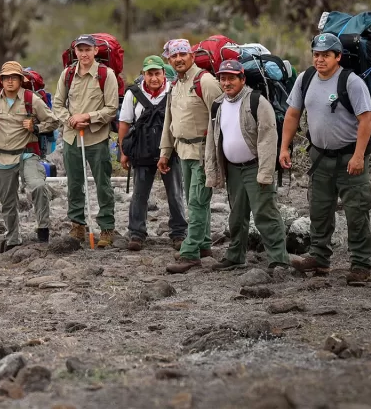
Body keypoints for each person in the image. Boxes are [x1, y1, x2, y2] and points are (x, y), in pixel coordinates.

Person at [280, 33, 371, 285]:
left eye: (326, 55)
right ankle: (319, 258)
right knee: (319, 210)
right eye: (316, 54)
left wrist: (358, 156)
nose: (319, 60)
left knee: (356, 212)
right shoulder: (305, 78)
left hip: (349, 158)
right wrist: (284, 147)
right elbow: (292, 114)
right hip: (319, 157)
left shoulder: (351, 82)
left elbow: (366, 119)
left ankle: (361, 264)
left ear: (338, 57)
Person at [204, 60, 290, 270]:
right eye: (223, 78)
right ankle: (235, 255)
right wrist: (212, 170)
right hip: (233, 169)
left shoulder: (257, 101)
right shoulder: (217, 104)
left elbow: (268, 138)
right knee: (236, 215)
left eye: (231, 78)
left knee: (265, 213)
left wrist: (265, 173)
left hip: (255, 167)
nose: (226, 83)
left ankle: (279, 259)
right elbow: (212, 140)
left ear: (242, 79)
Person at [0, 61, 58, 251]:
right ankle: (13, 238)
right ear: (1, 81)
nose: (10, 81)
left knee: (38, 187)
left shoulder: (32, 99)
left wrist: (36, 127)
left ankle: (43, 230)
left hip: (28, 154)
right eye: (6, 78)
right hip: (3, 156)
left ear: (21, 80)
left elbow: (54, 121)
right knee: (7, 199)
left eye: (14, 77)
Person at [159, 39, 222, 274]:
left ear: (192, 55)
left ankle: (190, 253)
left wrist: (217, 155)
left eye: (182, 54)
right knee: (195, 200)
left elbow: (220, 118)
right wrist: (165, 152)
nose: (178, 59)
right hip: (183, 150)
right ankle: (203, 244)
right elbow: (169, 121)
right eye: (173, 56)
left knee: (196, 201)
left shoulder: (205, 81)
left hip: (205, 151)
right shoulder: (175, 84)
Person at [52, 35, 119, 247]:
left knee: (103, 185)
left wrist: (87, 117)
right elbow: (57, 104)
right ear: (76, 51)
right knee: (74, 184)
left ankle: (107, 228)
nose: (84, 53)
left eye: (88, 49)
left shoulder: (106, 75)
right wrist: (70, 120)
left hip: (97, 138)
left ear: (95, 51)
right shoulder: (68, 74)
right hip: (72, 138)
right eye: (80, 49)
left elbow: (111, 109)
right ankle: (77, 225)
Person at [118, 56, 187, 251]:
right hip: (141, 151)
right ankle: (136, 233)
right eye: (150, 74)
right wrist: (124, 152)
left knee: (175, 193)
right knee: (139, 194)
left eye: (157, 73)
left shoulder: (174, 91)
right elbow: (124, 124)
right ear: (144, 75)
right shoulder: (133, 94)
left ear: (164, 74)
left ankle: (179, 233)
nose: (154, 78)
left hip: (170, 151)